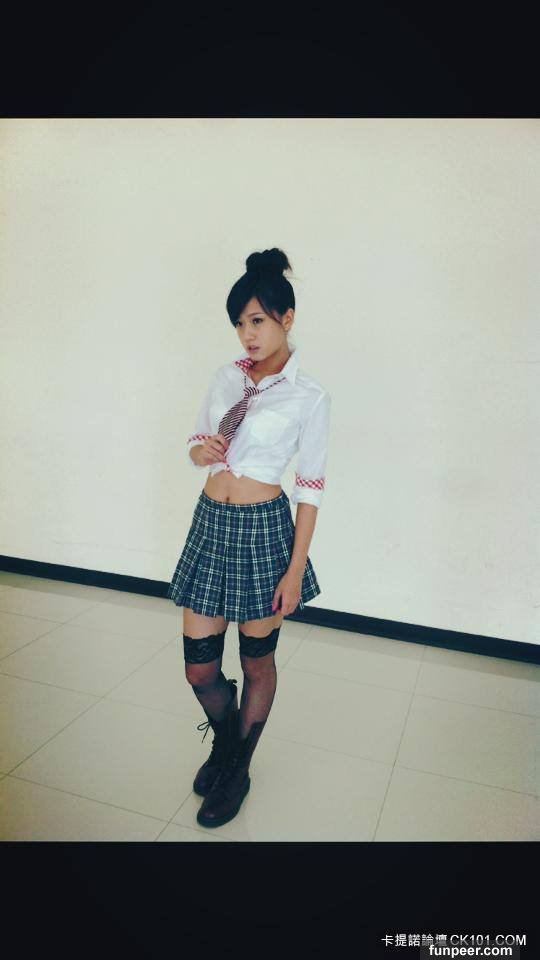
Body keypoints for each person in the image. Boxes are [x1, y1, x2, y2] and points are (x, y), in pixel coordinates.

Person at [166, 247, 331, 829]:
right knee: (199, 669)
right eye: (240, 323)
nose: (247, 334)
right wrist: (202, 451)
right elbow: (196, 445)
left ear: (287, 318)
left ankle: (238, 766)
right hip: (211, 523)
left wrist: (295, 569)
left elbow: (310, 490)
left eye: (257, 320)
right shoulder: (225, 377)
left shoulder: (309, 396)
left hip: (264, 531)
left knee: (257, 660)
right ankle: (226, 740)